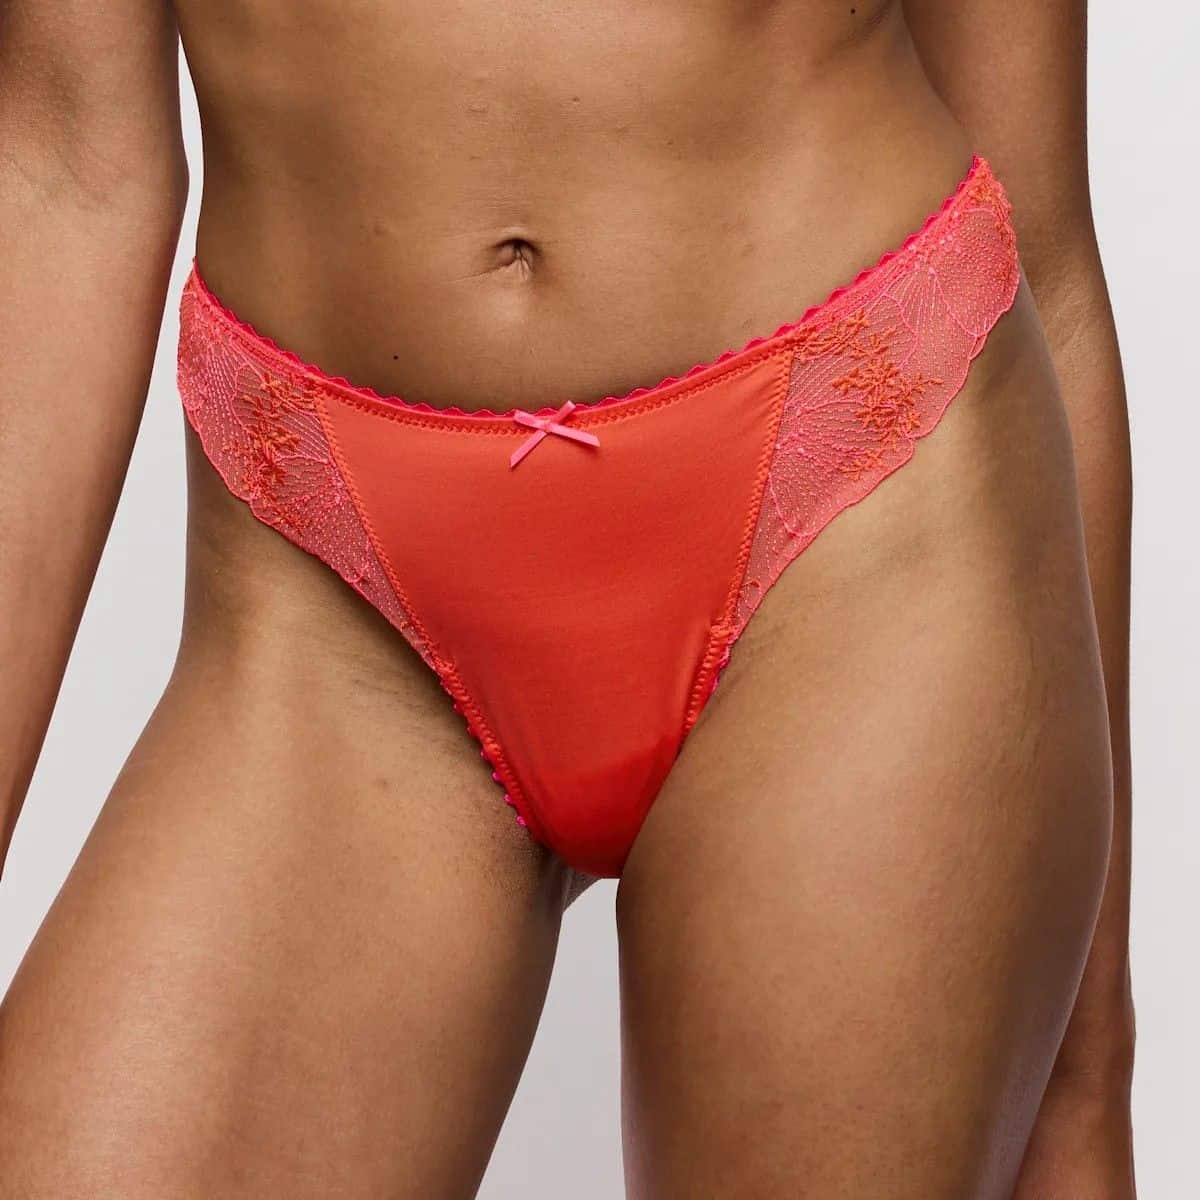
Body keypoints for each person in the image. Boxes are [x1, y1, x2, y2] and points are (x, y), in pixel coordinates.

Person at [0, 2, 1134, 1196]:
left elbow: (1040, 228)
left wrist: (1082, 1073)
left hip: (856, 508)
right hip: (330, 603)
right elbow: (63, 162)